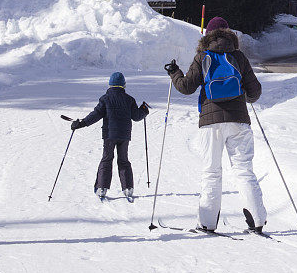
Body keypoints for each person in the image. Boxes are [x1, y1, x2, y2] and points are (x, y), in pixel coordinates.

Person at [164, 16, 265, 233]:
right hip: (239, 122)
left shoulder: (203, 57)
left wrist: (174, 73)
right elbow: (255, 92)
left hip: (210, 124)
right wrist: (243, 94)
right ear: (228, 33)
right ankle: (257, 221)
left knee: (211, 172)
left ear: (207, 34)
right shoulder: (238, 57)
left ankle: (207, 223)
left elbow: (186, 87)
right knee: (244, 170)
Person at [71, 72, 149, 200]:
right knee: (123, 160)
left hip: (109, 135)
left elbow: (95, 115)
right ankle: (128, 188)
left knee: (107, 159)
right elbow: (136, 116)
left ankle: (102, 188)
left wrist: (82, 123)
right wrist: (144, 110)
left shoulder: (105, 99)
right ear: (124, 85)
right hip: (124, 135)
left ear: (110, 84)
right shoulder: (129, 99)